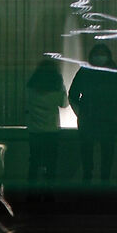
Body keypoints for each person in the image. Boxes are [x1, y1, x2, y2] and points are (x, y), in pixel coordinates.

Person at [68, 40, 117, 185]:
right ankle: (104, 182)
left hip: (90, 119)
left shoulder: (85, 71)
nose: (99, 57)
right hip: (107, 119)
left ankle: (88, 181)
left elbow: (73, 94)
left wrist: (81, 111)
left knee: (88, 153)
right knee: (106, 153)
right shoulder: (115, 72)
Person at [24, 56, 66, 195]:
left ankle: (31, 192)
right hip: (51, 130)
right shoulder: (56, 88)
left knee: (34, 161)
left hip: (35, 130)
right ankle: (49, 192)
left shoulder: (31, 87)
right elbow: (64, 104)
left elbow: (27, 105)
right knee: (51, 162)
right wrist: (62, 86)